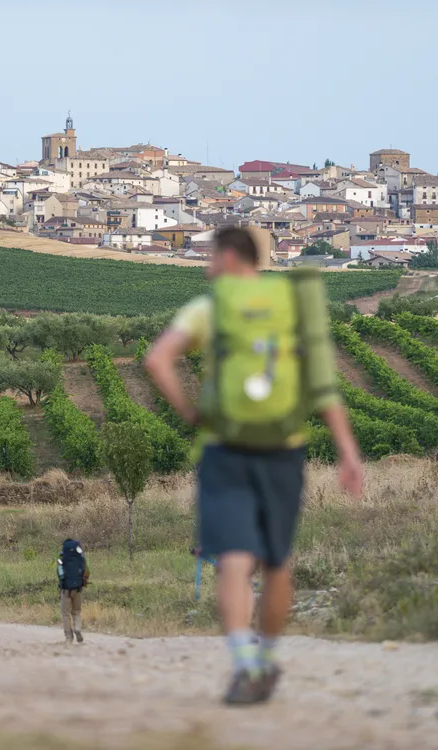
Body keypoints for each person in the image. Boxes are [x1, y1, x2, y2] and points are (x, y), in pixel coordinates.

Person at [145, 226, 363, 706]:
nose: (206, 268)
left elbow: (157, 359)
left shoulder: (211, 306)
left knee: (232, 558)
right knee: (277, 561)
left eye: (209, 258)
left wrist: (190, 412)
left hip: (225, 447)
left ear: (227, 257)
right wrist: (348, 451)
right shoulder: (293, 304)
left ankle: (244, 664)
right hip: (285, 447)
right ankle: (266, 659)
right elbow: (324, 385)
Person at [56, 539, 89, 643]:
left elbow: (60, 574)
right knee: (76, 612)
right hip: (78, 589)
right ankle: (77, 628)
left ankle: (69, 637)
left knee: (65, 614)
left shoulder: (61, 559)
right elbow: (87, 572)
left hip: (65, 590)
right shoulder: (81, 559)